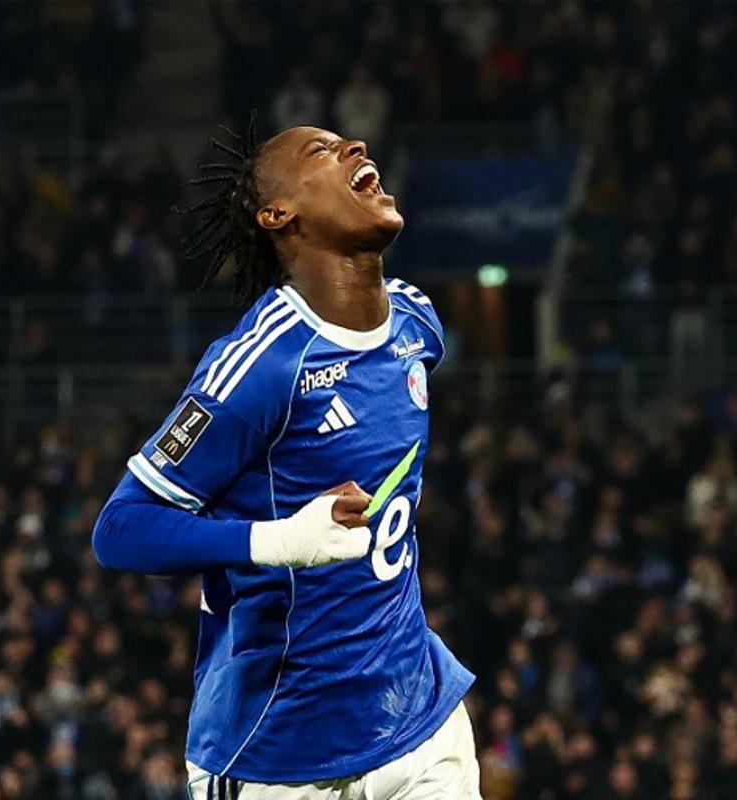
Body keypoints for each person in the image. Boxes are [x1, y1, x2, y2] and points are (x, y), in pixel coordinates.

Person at [91, 119, 479, 798]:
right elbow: (119, 531)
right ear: (279, 214)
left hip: (420, 718)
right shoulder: (258, 365)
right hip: (279, 752)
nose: (357, 147)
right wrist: (280, 540)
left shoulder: (417, 323)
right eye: (322, 151)